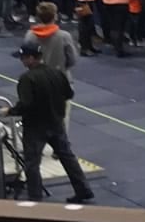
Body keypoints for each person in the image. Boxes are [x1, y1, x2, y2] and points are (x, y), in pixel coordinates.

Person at [8, 36, 94, 202]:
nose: (22, 61)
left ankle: (35, 197)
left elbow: (26, 104)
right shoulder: (57, 73)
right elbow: (69, 94)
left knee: (32, 163)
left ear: (31, 58)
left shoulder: (27, 78)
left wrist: (11, 111)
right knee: (67, 157)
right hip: (56, 122)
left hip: (35, 127)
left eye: (23, 57)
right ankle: (83, 189)